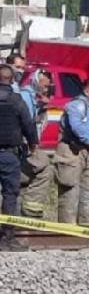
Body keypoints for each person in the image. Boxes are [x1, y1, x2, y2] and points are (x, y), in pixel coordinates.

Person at [0, 65, 39, 251]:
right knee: (9, 195)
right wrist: (33, 144)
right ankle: (7, 239)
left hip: (9, 153)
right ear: (12, 80)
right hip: (9, 154)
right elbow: (28, 125)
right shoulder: (17, 101)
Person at [55, 78, 89, 224]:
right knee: (69, 193)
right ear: (87, 91)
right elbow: (77, 127)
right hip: (71, 150)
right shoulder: (77, 105)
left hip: (86, 153)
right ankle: (66, 230)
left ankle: (87, 227)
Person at [17, 68, 54, 219]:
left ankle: (22, 207)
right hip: (23, 144)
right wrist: (32, 143)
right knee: (45, 168)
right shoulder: (25, 96)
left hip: (23, 144)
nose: (46, 89)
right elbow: (27, 123)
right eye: (44, 86)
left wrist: (41, 107)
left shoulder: (31, 97)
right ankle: (31, 206)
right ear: (36, 81)